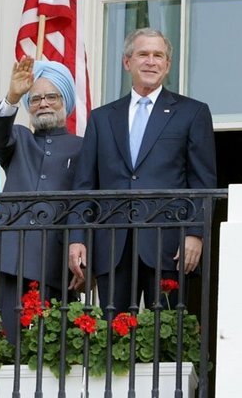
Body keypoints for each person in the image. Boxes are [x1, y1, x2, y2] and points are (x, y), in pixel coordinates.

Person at [68, 28, 217, 316]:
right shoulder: (102, 118)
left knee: (169, 338)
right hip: (113, 246)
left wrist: (196, 233)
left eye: (158, 55)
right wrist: (77, 237)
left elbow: (203, 181)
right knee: (113, 339)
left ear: (167, 64)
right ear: (127, 62)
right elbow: (84, 184)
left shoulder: (192, 112)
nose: (151, 61)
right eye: (143, 54)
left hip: (168, 244)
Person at [0, 56, 83, 344]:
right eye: (35, 98)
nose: (43, 103)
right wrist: (13, 96)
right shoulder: (19, 139)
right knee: (9, 341)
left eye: (52, 96)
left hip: (57, 260)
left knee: (51, 344)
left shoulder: (84, 147)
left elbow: (88, 207)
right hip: (11, 256)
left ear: (65, 101)